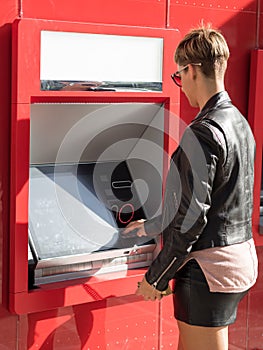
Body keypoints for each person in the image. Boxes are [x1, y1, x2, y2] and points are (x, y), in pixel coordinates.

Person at [123, 25, 258, 350]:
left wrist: (156, 276)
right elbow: (220, 200)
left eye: (179, 76)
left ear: (192, 70)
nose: (181, 87)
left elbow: (191, 219)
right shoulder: (238, 121)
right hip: (236, 259)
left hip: (208, 270)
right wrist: (152, 225)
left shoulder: (203, 132)